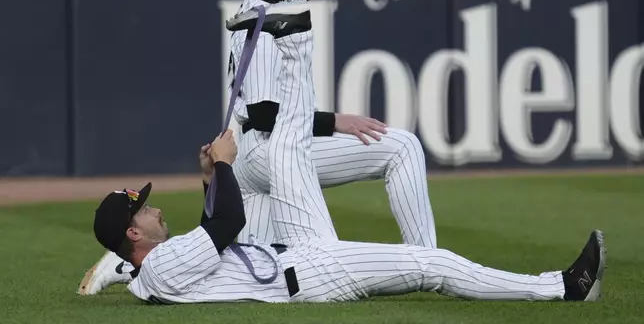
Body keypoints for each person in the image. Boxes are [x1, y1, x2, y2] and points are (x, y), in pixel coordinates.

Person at [87, 130, 606, 304]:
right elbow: (223, 227)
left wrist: (213, 176)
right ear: (134, 233)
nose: (154, 208)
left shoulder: (150, 271)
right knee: (434, 264)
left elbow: (214, 233)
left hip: (287, 250)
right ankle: (562, 287)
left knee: (264, 169)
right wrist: (221, 163)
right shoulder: (160, 266)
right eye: (144, 209)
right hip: (309, 274)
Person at [227, 0, 437, 251]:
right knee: (403, 147)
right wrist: (334, 121)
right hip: (267, 150)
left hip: (257, 150)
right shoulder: (265, 23)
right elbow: (263, 114)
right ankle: (427, 259)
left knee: (256, 268)